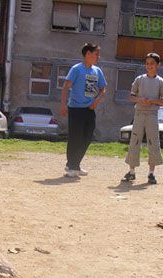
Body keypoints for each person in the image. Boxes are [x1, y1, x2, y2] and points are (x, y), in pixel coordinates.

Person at [60, 43, 107, 178]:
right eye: (96, 54)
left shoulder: (97, 71)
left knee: (86, 137)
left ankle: (75, 164)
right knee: (75, 137)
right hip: (75, 108)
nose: (98, 56)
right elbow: (65, 87)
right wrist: (63, 105)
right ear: (88, 54)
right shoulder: (77, 69)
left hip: (89, 109)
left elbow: (103, 89)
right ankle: (72, 167)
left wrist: (96, 101)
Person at [122, 52, 163, 185]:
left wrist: (152, 101)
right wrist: (140, 99)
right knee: (135, 140)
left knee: (153, 141)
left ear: (158, 65)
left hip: (152, 114)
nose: (149, 66)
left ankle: (151, 173)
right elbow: (131, 96)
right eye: (147, 63)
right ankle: (131, 171)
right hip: (139, 113)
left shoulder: (161, 82)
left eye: (152, 63)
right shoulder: (139, 79)